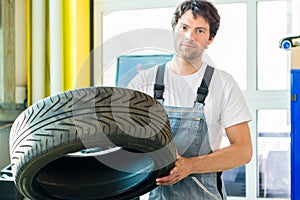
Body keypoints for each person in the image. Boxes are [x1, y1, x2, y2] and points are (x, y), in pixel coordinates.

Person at [127, 0, 252, 199]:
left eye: (200, 31)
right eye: (184, 27)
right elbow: (122, 142)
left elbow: (243, 150)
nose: (189, 37)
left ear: (210, 38)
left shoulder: (223, 83)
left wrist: (189, 166)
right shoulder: (142, 83)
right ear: (173, 30)